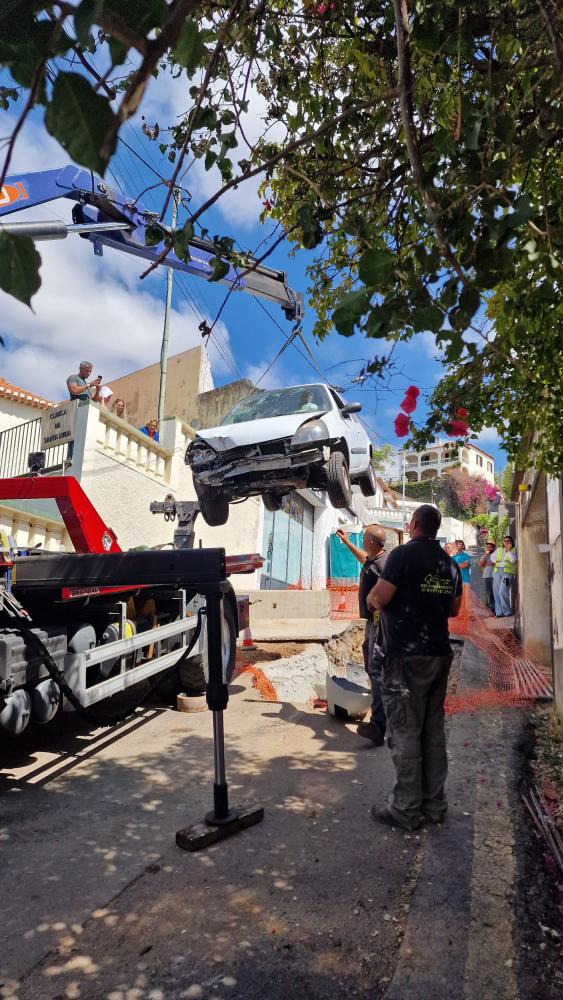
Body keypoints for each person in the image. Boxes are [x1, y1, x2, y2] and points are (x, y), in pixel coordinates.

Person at [366, 504, 462, 831]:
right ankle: (435, 805)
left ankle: (405, 808)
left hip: (406, 657)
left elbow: (380, 598)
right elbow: (453, 608)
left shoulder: (402, 556)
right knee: (432, 731)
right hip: (439, 654)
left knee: (405, 731)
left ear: (415, 523)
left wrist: (370, 600)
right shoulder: (450, 564)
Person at [336, 524, 387, 745]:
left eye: (364, 537)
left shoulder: (384, 565)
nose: (362, 540)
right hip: (371, 624)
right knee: (370, 665)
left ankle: (379, 725)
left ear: (373, 543)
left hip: (380, 624)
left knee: (376, 670)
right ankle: (382, 707)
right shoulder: (373, 560)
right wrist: (347, 542)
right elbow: (363, 558)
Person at [492, 535, 517, 617]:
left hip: (507, 573)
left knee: (502, 591)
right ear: (503, 542)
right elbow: (492, 557)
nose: (506, 542)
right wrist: (497, 561)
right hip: (497, 572)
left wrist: (508, 551)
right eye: (505, 541)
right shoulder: (499, 550)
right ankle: (499, 613)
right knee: (496, 592)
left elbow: (513, 560)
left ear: (511, 542)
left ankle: (507, 612)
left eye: (508, 541)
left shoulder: (513, 550)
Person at [479, 541, 496, 612]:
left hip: (494, 576)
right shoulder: (485, 555)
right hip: (486, 576)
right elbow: (480, 564)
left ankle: (496, 608)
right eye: (487, 547)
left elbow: (495, 563)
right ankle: (491, 608)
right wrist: (485, 555)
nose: (489, 548)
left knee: (495, 592)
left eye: (490, 547)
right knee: (489, 593)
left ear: (493, 547)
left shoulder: (496, 554)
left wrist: (486, 563)